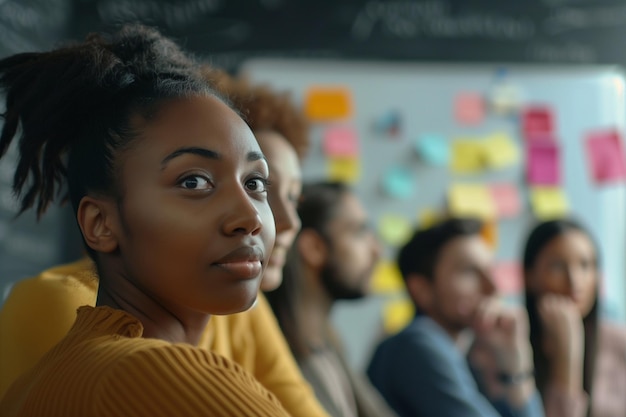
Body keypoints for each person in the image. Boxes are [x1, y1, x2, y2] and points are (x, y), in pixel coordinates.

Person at [0, 65, 330, 415]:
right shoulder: (151, 374)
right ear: (100, 224)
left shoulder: (51, 374)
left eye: (255, 184)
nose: (250, 219)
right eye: (194, 182)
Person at [367, 218, 544, 417]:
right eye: (469, 271)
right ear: (422, 289)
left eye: (490, 270)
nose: (493, 287)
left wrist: (515, 361)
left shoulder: (469, 352)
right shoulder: (417, 343)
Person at [267, 181, 397, 417]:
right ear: (314, 247)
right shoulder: (277, 356)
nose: (377, 251)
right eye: (359, 232)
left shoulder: (329, 344)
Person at [523, 219, 626, 417]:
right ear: (530, 275)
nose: (574, 280)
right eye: (557, 266)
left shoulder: (620, 341)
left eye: (585, 265)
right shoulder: (512, 346)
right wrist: (567, 352)